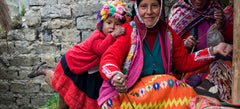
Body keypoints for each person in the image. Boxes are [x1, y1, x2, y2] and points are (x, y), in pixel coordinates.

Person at [97, 0, 233, 108]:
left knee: (182, 93)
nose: (149, 12)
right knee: (168, 83)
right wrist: (115, 76)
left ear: (160, 7)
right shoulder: (128, 31)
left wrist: (214, 50)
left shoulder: (168, 33)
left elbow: (184, 62)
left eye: (154, 6)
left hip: (157, 97)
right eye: (144, 6)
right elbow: (109, 59)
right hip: (125, 97)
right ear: (137, 8)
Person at [27, 1, 131, 109]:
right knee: (65, 89)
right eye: (109, 22)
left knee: (76, 92)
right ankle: (44, 70)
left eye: (117, 24)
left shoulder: (111, 38)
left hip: (87, 69)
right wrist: (114, 34)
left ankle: (43, 70)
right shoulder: (97, 37)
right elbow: (100, 50)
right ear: (101, 24)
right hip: (73, 63)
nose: (113, 27)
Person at [168, 0, 233, 102]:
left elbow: (231, 38)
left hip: (219, 61)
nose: (198, 0)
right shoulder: (179, 13)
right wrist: (184, 44)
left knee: (224, 74)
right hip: (193, 65)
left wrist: (223, 25)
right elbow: (171, 49)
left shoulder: (215, 10)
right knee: (193, 84)